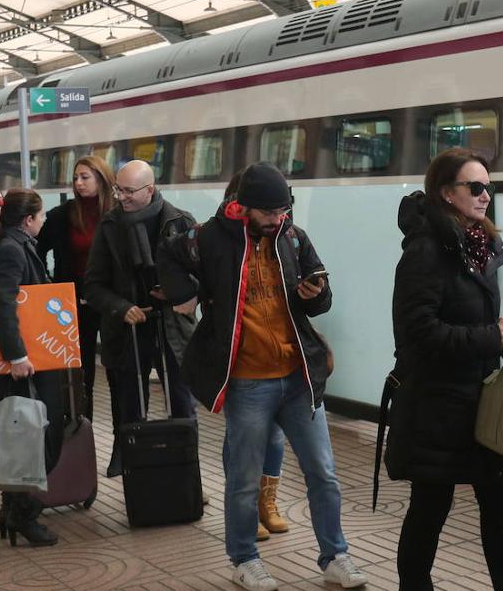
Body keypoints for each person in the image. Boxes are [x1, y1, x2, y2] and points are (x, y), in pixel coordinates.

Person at [159, 162, 366, 591]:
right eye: (270, 213)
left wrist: (318, 292)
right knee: (243, 478)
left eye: (283, 211)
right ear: (244, 208)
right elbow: (168, 253)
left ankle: (335, 555)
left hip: (298, 377)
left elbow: (319, 293)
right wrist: (185, 295)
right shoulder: (211, 237)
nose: (278, 220)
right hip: (248, 382)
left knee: (323, 473)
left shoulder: (291, 237)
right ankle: (244, 558)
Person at [386, 148, 503, 591]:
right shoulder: (426, 251)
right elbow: (418, 335)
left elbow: (465, 319)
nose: (486, 195)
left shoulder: (478, 243)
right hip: (439, 410)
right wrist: (491, 337)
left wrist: (499, 333)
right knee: (430, 510)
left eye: (489, 186)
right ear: (447, 193)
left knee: (501, 511)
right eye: (476, 187)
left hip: (482, 404)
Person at [83, 159, 194, 476]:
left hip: (172, 327)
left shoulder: (179, 222)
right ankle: (133, 466)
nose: (122, 197)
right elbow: (93, 284)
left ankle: (185, 470)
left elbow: (202, 277)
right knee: (129, 400)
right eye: (119, 189)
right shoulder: (110, 225)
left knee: (181, 402)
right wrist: (121, 308)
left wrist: (176, 291)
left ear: (150, 189)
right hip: (126, 329)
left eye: (129, 191)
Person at [0, 188, 64, 548]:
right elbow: (3, 304)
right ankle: (23, 515)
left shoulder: (10, 244)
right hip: (26, 362)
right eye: (40, 216)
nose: (43, 222)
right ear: (28, 220)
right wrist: (16, 355)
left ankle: (12, 510)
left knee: (22, 437)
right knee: (38, 438)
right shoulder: (12, 250)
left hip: (30, 357)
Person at [221, 170, 290, 542]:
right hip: (243, 363)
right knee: (240, 443)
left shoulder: (283, 236)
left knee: (275, 439)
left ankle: (268, 504)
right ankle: (245, 519)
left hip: (280, 361)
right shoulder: (222, 240)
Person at [36, 156, 114, 421]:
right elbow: (36, 251)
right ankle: (82, 428)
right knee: (80, 373)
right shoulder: (62, 216)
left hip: (111, 302)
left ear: (102, 179)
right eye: (76, 178)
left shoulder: (116, 214)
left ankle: (121, 442)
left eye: (85, 177)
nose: (78, 183)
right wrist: (50, 286)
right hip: (73, 304)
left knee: (116, 370)